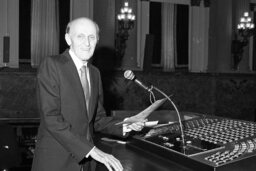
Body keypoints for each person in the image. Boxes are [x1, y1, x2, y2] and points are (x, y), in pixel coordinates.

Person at [31, 17, 145, 171]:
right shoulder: (52, 65)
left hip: (86, 164)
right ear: (68, 39)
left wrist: (127, 124)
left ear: (97, 40)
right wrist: (91, 150)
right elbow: (51, 118)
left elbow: (97, 119)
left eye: (92, 37)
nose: (87, 43)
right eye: (80, 36)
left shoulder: (94, 73)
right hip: (56, 162)